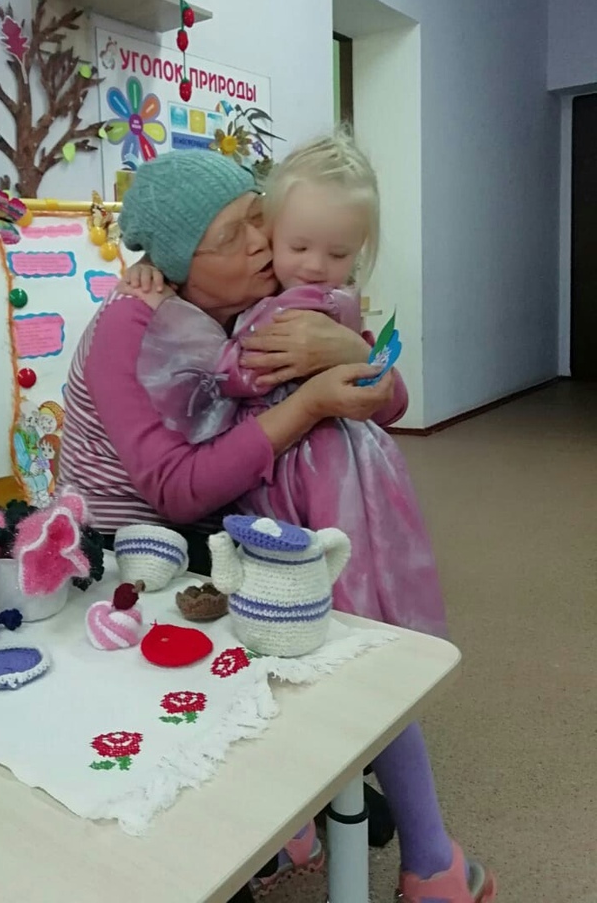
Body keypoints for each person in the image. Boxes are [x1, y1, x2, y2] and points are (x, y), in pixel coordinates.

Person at [59, 151, 496, 903]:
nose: (264, 244)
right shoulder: (136, 320)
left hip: (239, 512)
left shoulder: (261, 300)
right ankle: (329, 828)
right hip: (132, 551)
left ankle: (315, 823)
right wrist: (313, 400)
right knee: (300, 644)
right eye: (234, 236)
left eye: (260, 219)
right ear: (177, 263)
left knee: (332, 641)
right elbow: (172, 490)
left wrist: (356, 353)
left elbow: (390, 402)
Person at [128, 133, 446, 639]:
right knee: (350, 556)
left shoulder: (303, 304)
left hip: (310, 464)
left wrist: (358, 355)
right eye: (298, 247)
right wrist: (156, 263)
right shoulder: (295, 291)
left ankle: (344, 639)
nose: (315, 266)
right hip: (326, 459)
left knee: (319, 564)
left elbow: (240, 372)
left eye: (338, 254)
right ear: (269, 233)